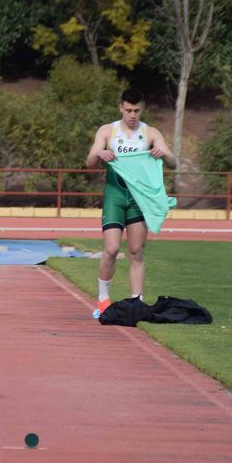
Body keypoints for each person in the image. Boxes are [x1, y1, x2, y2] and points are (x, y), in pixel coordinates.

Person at [85, 88, 176, 315]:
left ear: (141, 109)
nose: (133, 115)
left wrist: (162, 153)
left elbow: (173, 162)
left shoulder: (150, 133)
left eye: (136, 110)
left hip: (138, 199)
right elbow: (89, 161)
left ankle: (137, 301)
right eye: (128, 110)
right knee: (112, 248)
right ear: (120, 108)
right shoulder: (108, 131)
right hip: (115, 196)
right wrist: (100, 154)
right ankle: (103, 300)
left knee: (137, 251)